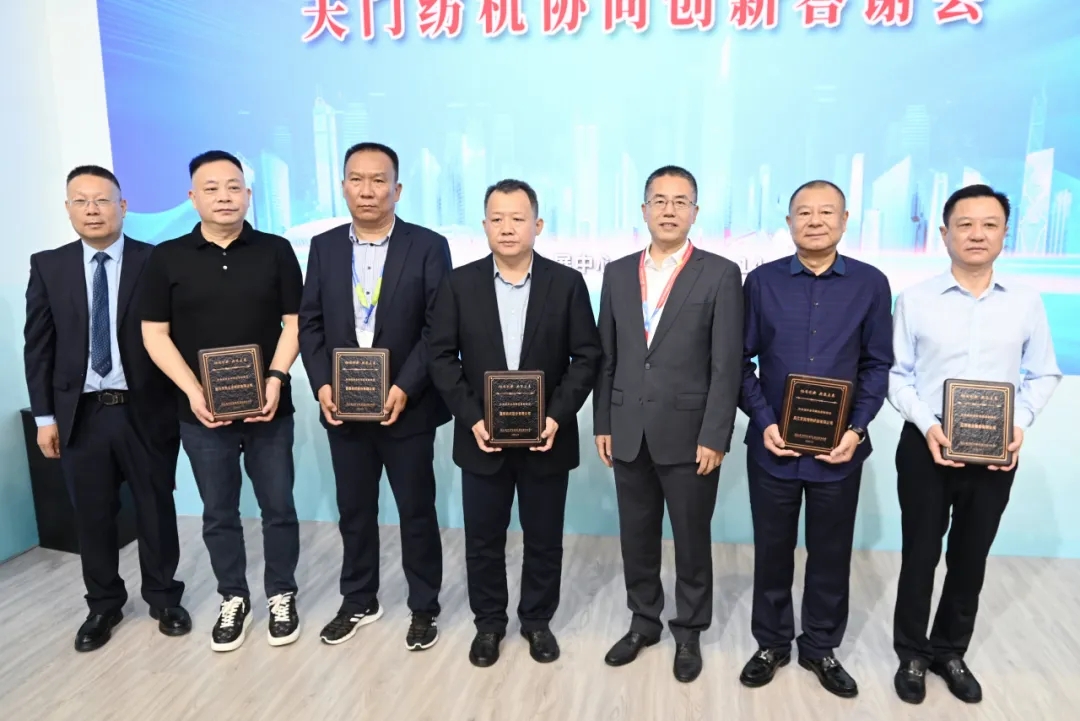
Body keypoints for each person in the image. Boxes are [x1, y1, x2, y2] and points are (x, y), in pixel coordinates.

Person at [888, 184, 1062, 705]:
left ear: (1006, 234)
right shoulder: (915, 299)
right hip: (927, 443)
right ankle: (912, 653)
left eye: (990, 224)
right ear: (944, 234)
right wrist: (928, 424)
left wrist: (1019, 424)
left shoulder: (1026, 302)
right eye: (965, 224)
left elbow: (1043, 373)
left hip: (994, 449)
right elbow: (897, 375)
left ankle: (949, 651)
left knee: (971, 556)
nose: (977, 234)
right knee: (920, 554)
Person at [428, 179, 600, 668]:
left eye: (517, 218)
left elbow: (586, 357)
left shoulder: (566, 283)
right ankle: (488, 624)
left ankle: (537, 621)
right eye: (497, 219)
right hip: (481, 438)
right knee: (483, 539)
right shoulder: (459, 284)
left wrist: (556, 416)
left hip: (547, 438)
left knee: (544, 539)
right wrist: (473, 418)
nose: (507, 228)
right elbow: (441, 357)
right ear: (484, 226)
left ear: (537, 225)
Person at [140, 150, 304, 653]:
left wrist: (276, 378)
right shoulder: (166, 258)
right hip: (201, 414)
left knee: (279, 507)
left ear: (248, 195)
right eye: (211, 188)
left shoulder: (276, 250)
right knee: (218, 512)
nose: (224, 196)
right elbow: (154, 334)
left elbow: (295, 324)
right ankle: (234, 596)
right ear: (192, 198)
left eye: (233, 187)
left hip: (269, 408)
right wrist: (193, 391)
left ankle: (282, 593)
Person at [737, 180, 893, 697]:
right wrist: (765, 422)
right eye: (804, 212)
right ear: (789, 223)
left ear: (845, 221)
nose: (815, 221)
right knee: (772, 551)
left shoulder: (871, 284)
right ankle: (771, 643)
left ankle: (821, 647)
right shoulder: (761, 282)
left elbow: (876, 364)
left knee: (831, 554)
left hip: (839, 452)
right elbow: (739, 361)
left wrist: (856, 429)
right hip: (773, 449)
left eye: (827, 212)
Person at [23, 165, 189, 652]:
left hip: (145, 409)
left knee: (155, 507)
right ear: (68, 209)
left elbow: (177, 336)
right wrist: (45, 417)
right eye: (81, 201)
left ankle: (164, 598)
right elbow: (39, 348)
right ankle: (103, 605)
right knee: (93, 514)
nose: (92, 209)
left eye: (102, 200)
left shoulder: (155, 260)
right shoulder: (48, 266)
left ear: (123, 206)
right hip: (81, 415)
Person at [298, 142, 452, 650]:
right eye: (357, 179)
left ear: (397, 189)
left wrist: (405, 386)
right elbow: (311, 323)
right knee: (354, 511)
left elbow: (437, 328)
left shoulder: (427, 246)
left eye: (379, 180)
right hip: (343, 408)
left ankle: (424, 607)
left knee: (416, 512)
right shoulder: (323, 247)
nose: (368, 190)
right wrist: (323, 384)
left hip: (407, 409)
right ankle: (359, 599)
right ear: (343, 186)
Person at [593, 165, 743, 683]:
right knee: (636, 536)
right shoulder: (617, 272)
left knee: (690, 539)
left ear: (695, 212)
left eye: (681, 202)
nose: (669, 210)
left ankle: (690, 630)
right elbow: (607, 356)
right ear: (644, 210)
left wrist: (715, 435)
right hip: (628, 429)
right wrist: (604, 421)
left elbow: (726, 365)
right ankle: (643, 622)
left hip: (690, 435)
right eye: (659, 200)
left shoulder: (720, 273)